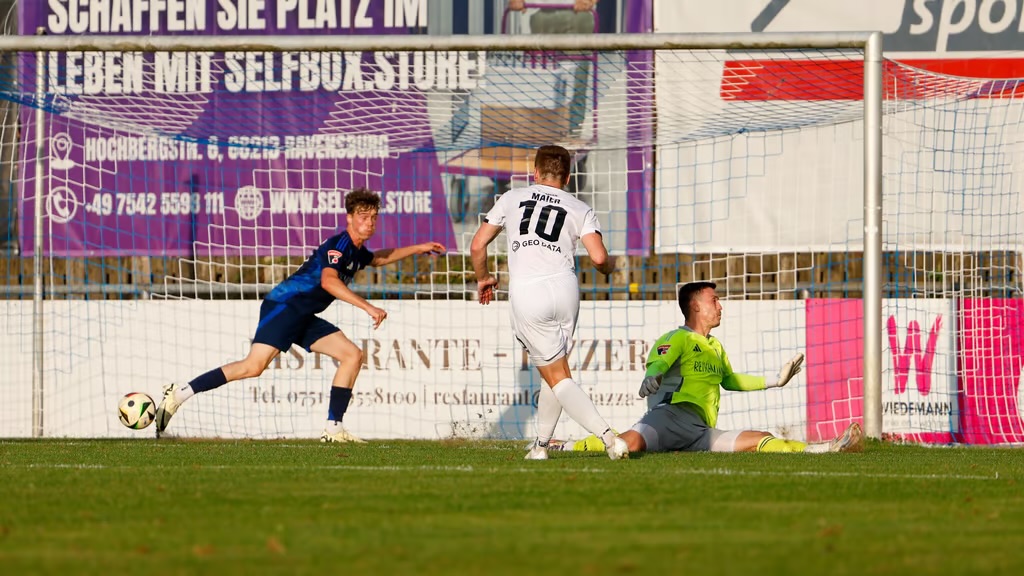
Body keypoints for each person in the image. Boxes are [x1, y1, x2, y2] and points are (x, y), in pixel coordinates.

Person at [154, 188, 446, 442]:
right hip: (285, 306)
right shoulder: (340, 245)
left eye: (373, 217)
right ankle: (180, 393)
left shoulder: (358, 251)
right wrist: (368, 307)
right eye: (362, 216)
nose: (369, 222)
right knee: (253, 367)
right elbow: (329, 282)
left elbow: (379, 258)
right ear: (349, 218)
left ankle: (333, 428)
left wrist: (419, 247)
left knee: (352, 355)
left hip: (304, 313)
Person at [548, 281, 865, 454]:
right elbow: (659, 362)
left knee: (760, 438)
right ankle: (566, 445)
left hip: (700, 432)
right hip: (668, 419)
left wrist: (776, 380)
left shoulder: (715, 346)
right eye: (714, 300)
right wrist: (652, 377)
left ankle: (823, 449)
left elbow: (730, 380)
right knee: (625, 445)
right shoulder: (678, 337)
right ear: (696, 306)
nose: (720, 305)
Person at [470, 144, 628, 460]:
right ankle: (541, 447)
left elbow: (477, 245)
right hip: (566, 290)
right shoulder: (580, 207)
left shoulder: (512, 197)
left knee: (557, 377)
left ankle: (611, 439)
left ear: (535, 173)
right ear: (567, 177)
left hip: (529, 292)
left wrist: (484, 277)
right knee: (554, 371)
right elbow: (599, 258)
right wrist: (610, 267)